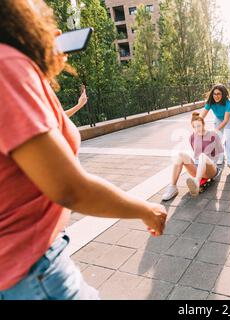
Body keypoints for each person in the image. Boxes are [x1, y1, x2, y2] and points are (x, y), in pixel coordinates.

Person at [0, 0, 166, 300]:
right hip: (33, 271)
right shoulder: (6, 66)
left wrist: (46, 67)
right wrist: (147, 210)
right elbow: (70, 189)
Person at [162, 112, 224, 200]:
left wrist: (212, 161)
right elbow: (195, 154)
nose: (197, 128)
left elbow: (220, 152)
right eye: (194, 127)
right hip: (198, 167)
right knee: (180, 155)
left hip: (211, 169)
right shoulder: (192, 137)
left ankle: (196, 182)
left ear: (203, 124)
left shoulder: (213, 135)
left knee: (203, 156)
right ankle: (173, 187)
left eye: (199, 126)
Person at [200, 84, 230, 171]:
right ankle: (220, 155)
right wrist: (197, 123)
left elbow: (226, 120)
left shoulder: (228, 102)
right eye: (214, 94)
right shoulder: (210, 102)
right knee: (217, 138)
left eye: (219, 94)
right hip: (218, 118)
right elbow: (202, 115)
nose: (216, 96)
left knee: (229, 138)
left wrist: (216, 130)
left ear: (223, 94)